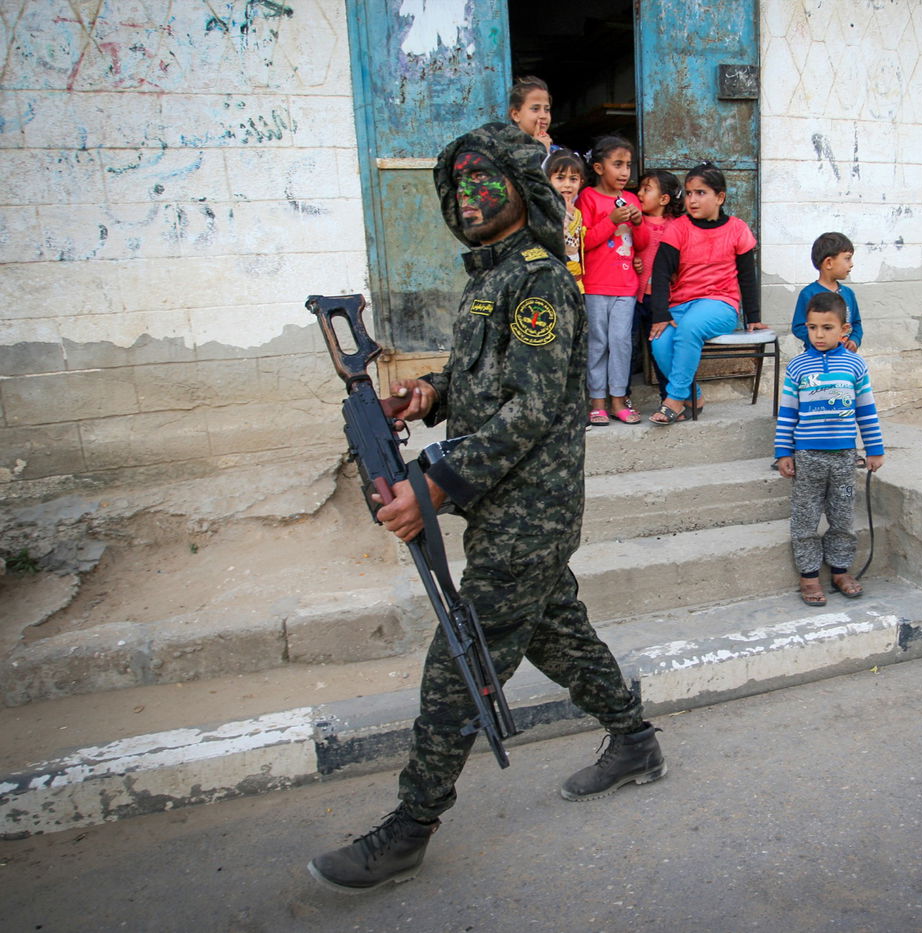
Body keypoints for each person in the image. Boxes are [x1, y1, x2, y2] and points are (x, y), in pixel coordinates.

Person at [308, 123, 666, 894]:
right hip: (504, 501)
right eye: (458, 185)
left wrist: (434, 484)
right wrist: (432, 393)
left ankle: (410, 827)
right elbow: (488, 377)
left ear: (517, 186)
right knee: (557, 633)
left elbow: (530, 407)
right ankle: (635, 740)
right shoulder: (492, 278)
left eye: (482, 180)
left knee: (458, 663)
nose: (468, 195)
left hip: (530, 507)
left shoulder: (541, 279)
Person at [774, 291, 886, 607]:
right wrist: (783, 452)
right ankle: (809, 576)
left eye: (827, 328)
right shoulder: (797, 367)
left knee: (842, 515)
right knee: (805, 516)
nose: (819, 335)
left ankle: (840, 570)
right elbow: (788, 412)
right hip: (807, 456)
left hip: (844, 457)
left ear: (844, 330)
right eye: (812, 328)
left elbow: (866, 410)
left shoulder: (854, 364)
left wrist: (874, 448)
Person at [647, 163, 767, 424]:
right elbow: (660, 273)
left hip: (720, 304)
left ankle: (674, 399)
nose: (692, 200)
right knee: (660, 342)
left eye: (701, 193)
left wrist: (754, 316)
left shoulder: (737, 229)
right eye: (689, 193)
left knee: (689, 327)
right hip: (681, 305)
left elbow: (747, 275)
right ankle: (695, 396)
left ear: (720, 197)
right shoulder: (678, 228)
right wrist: (660, 314)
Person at [576, 136, 649, 425]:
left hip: (626, 286)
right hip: (595, 286)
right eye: (617, 164)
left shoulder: (631, 200)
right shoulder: (587, 198)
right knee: (597, 343)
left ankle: (618, 399)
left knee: (621, 343)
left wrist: (638, 223)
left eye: (628, 165)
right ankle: (597, 402)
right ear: (598, 167)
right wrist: (611, 220)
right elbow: (584, 242)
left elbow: (641, 243)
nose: (624, 172)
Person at [631, 169, 683, 391]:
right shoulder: (636, 221)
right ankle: (623, 396)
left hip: (663, 301)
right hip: (634, 296)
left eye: (647, 189)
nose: (640, 194)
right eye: (640, 189)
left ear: (664, 199)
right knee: (629, 347)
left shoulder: (678, 226)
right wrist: (633, 259)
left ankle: (668, 396)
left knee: (661, 349)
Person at [791, 232, 863, 353]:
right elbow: (798, 327)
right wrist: (821, 340)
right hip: (816, 357)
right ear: (829, 263)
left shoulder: (848, 293)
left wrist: (854, 340)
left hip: (843, 356)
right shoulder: (808, 294)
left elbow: (856, 323)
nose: (851, 264)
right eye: (847, 258)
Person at [545, 149, 586, 292]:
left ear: (581, 182)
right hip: (553, 282)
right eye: (560, 178)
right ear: (547, 181)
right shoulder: (545, 211)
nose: (567, 184)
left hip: (576, 283)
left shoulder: (578, 213)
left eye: (573, 179)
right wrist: (563, 215)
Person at [507, 75, 553, 150]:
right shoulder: (506, 149)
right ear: (516, 115)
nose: (543, 115)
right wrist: (540, 149)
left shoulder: (557, 152)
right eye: (535, 109)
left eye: (547, 109)